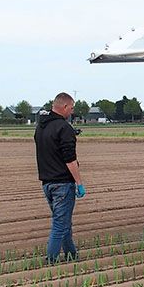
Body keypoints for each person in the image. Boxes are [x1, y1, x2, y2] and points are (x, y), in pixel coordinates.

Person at [35, 92, 85, 263]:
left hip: (46, 183)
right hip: (62, 184)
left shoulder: (41, 127)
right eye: (71, 108)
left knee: (64, 222)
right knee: (59, 224)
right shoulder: (64, 128)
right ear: (64, 107)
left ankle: (71, 254)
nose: (71, 112)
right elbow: (70, 159)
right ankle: (51, 259)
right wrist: (79, 182)